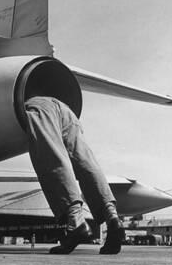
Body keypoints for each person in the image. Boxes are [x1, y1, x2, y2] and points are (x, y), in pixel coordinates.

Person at [25, 96, 124, 255]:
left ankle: (76, 222)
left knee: (51, 158)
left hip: (38, 107)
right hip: (66, 109)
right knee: (85, 161)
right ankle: (113, 218)